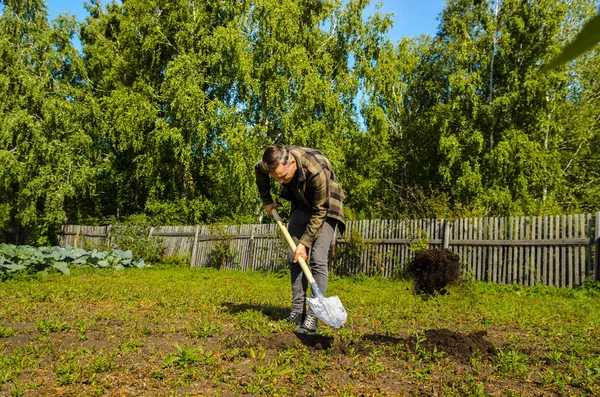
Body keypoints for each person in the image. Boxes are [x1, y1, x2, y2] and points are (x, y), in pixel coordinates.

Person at [255, 145, 346, 335]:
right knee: (293, 256)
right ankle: (297, 311)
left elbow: (321, 210)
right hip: (301, 204)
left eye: (283, 177)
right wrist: (267, 200)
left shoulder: (316, 169)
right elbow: (259, 170)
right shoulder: (271, 163)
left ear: (293, 163)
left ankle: (313, 314)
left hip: (327, 207)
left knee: (317, 259)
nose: (280, 182)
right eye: (276, 178)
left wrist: (304, 243)